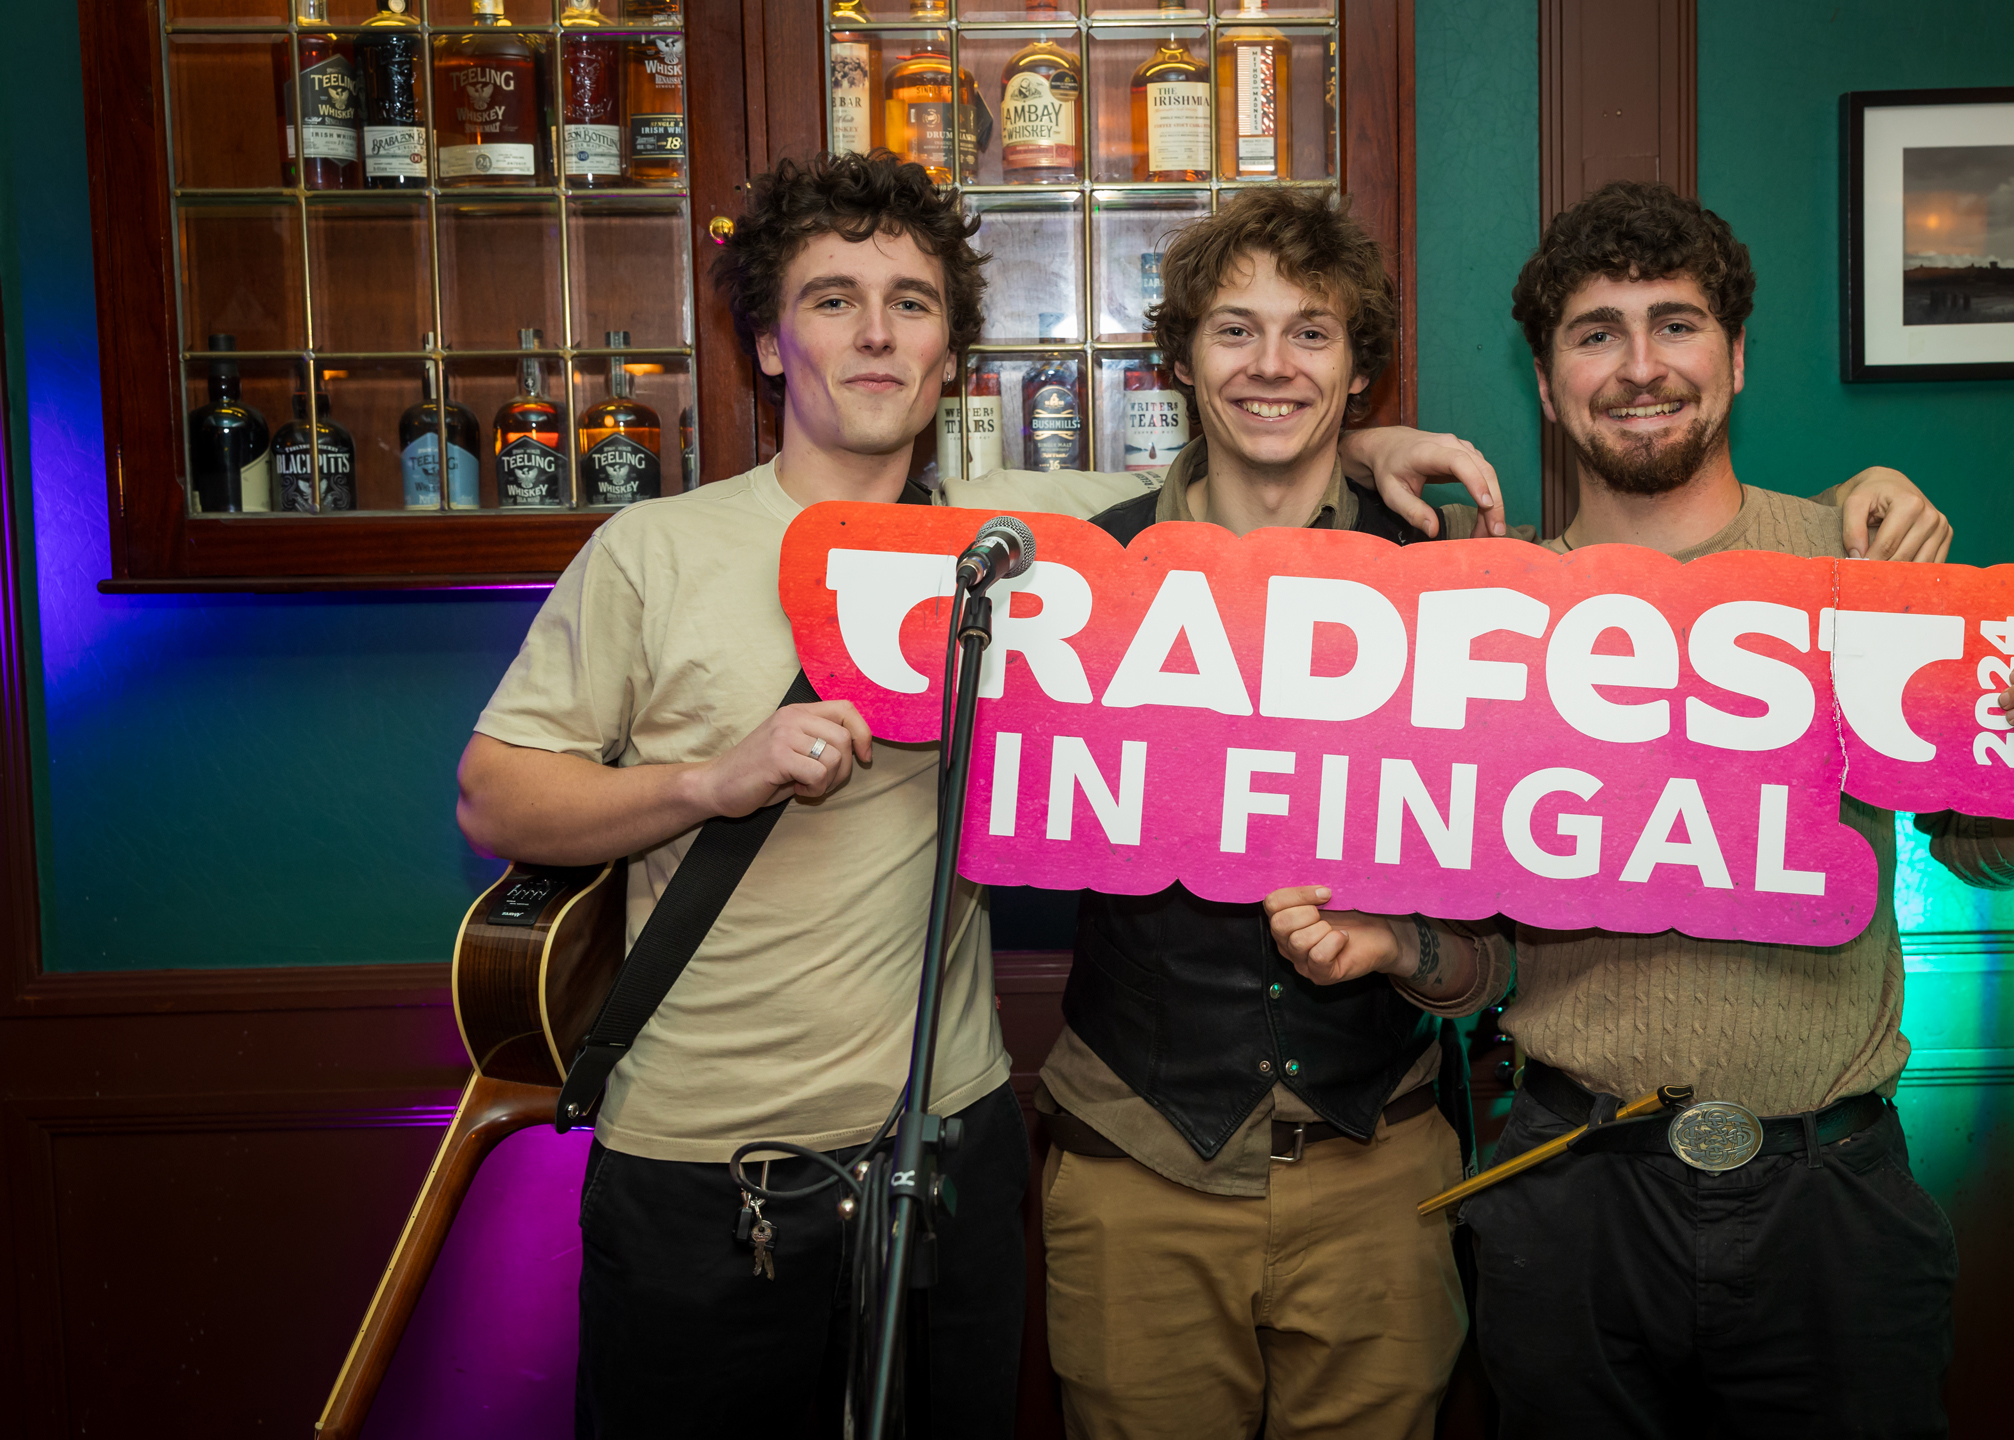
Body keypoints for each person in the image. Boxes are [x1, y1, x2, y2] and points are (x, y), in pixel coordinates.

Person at [451, 149, 1555, 1438]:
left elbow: (1257, 458)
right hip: (701, 1152)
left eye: (911, 303)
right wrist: (712, 780)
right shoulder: (657, 547)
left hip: (943, 1142)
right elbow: (493, 800)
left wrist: (1365, 438)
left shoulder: (1038, 538)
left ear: (948, 354)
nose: (876, 334)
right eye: (832, 300)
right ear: (765, 343)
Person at [1036, 185, 1963, 1440]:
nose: (1272, 364)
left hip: (1467, 1164)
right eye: (1234, 332)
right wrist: (1348, 443)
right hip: (1186, 1158)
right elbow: (975, 539)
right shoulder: (1091, 577)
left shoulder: (1467, 595)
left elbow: (1987, 836)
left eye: (1312, 333)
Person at [1265, 180, 2014, 1438]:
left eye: (1675, 324)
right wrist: (1400, 949)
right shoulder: (1493, 618)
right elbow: (1482, 963)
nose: (1640, 366)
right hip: (1569, 1192)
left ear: (1736, 359)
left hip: (1831, 1198)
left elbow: (1988, 851)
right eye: (1596, 333)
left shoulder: (1864, 567)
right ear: (1547, 383)